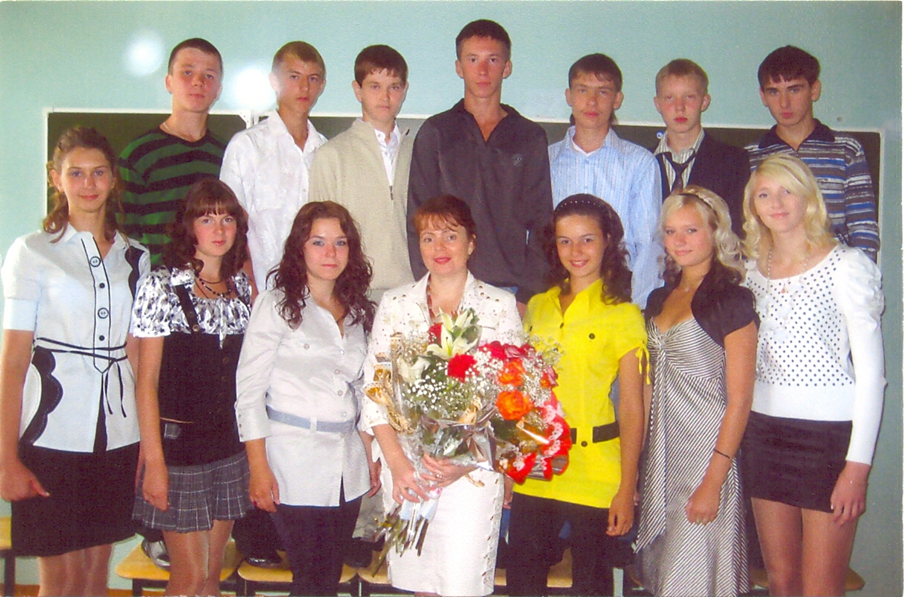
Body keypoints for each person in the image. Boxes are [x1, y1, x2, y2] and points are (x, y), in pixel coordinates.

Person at [0, 126, 149, 595]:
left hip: (118, 437)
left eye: (99, 172)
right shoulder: (31, 252)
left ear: (113, 178)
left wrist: (148, 444)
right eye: (76, 173)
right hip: (50, 434)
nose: (89, 184)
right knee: (61, 582)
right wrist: (5, 457)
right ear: (56, 178)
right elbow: (13, 361)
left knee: (94, 575)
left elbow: (139, 359)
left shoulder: (136, 257)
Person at [362, 195, 522, 596]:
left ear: (471, 242)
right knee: (420, 584)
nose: (439, 247)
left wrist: (463, 463)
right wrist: (398, 464)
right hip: (407, 470)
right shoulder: (396, 304)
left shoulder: (499, 306)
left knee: (460, 584)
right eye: (428, 237)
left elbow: (512, 400)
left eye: (450, 236)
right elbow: (375, 392)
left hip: (472, 474)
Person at [741, 154, 885, 596]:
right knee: (781, 581)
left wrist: (857, 469)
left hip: (827, 441)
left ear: (809, 198)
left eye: (787, 191)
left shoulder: (846, 265)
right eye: (765, 194)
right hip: (763, 433)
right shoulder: (750, 271)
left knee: (821, 587)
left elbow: (872, 376)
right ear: (753, 206)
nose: (777, 203)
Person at [235, 201, 380, 596]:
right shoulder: (275, 305)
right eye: (318, 242)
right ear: (299, 247)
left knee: (328, 579)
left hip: (347, 463)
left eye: (340, 242)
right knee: (309, 579)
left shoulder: (356, 311)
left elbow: (360, 389)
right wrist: (258, 467)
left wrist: (369, 452)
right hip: (292, 462)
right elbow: (248, 394)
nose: (330, 252)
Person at [507, 194, 646, 596]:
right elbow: (519, 393)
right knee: (523, 586)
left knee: (592, 587)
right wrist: (511, 468)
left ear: (607, 241)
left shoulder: (623, 313)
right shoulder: (537, 307)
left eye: (587, 239)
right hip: (537, 467)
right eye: (565, 241)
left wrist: (627, 486)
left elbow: (632, 407)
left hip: (597, 469)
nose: (576, 251)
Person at [131, 178, 253, 595]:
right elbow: (146, 384)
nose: (219, 229)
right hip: (179, 453)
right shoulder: (162, 285)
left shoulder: (241, 290)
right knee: (189, 577)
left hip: (228, 448)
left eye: (227, 219)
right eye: (206, 219)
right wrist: (154, 463)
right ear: (189, 227)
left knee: (213, 576)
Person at [635, 187, 758, 597]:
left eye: (691, 230)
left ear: (715, 232)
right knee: (659, 576)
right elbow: (648, 385)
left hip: (706, 458)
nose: (679, 241)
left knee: (693, 579)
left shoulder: (732, 300)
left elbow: (740, 400)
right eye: (671, 231)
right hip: (660, 458)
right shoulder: (658, 298)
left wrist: (714, 481)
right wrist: (637, 464)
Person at [407, 19, 552, 307]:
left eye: (492, 60)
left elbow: (542, 223)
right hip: (446, 286)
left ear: (507, 67)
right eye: (473, 59)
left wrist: (528, 294)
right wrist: (428, 287)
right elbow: (417, 217)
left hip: (510, 291)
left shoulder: (529, 137)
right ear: (459, 67)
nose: (482, 70)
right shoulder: (436, 132)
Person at [745, 45, 879, 261]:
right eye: (774, 92)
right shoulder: (751, 156)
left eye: (794, 90)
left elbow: (863, 229)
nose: (784, 103)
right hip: (776, 269)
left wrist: (857, 274)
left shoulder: (846, 150)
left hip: (836, 269)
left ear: (814, 90)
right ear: (763, 96)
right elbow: (748, 229)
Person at [548, 54, 660, 306]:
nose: (592, 101)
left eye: (603, 91)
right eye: (582, 90)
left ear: (617, 99)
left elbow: (647, 245)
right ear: (569, 96)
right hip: (558, 293)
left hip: (620, 295)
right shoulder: (545, 161)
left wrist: (637, 306)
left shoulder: (640, 163)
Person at [309, 44, 414, 301]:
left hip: (412, 291)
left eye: (394, 87)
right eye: (374, 86)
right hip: (352, 292)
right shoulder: (331, 155)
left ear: (404, 90)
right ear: (358, 90)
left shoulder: (419, 152)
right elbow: (318, 237)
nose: (385, 97)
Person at [221, 41, 328, 292]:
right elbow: (230, 227)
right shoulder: (247, 147)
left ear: (322, 85)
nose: (304, 87)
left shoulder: (327, 151)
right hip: (262, 291)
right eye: (294, 76)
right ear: (274, 81)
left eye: (313, 78)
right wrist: (250, 290)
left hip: (316, 294)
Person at [120, 38, 226, 267]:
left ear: (218, 90)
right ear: (169, 82)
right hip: (157, 284)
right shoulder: (139, 156)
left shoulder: (228, 156)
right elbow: (122, 237)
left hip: (216, 283)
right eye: (187, 72)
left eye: (209, 75)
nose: (198, 82)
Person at [651, 59, 749, 236]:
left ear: (704, 102)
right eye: (669, 98)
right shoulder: (644, 161)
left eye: (689, 97)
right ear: (658, 104)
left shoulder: (733, 161)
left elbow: (736, 230)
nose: (679, 107)